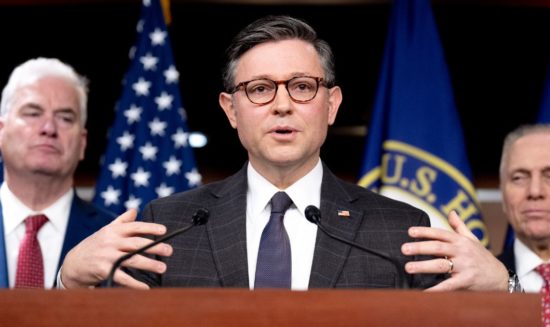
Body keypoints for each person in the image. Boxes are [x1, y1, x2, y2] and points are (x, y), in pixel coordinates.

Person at [59, 15, 510, 291]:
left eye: (301, 86)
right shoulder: (168, 224)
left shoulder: (400, 229)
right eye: (258, 89)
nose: (281, 103)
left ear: (331, 104)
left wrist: (505, 289)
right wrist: (68, 282)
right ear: (230, 110)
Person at [0, 57, 115, 289]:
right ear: (1, 131)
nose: (49, 128)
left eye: (65, 118)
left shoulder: (114, 239)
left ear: (82, 143)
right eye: (33, 113)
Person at [498, 124, 550, 290]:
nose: (535, 191)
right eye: (519, 178)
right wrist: (507, 284)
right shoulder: (478, 288)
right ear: (503, 192)